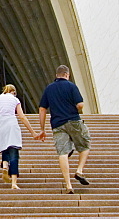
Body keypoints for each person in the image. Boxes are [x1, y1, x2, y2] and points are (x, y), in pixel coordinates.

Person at [37, 64, 92, 193]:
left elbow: (42, 109)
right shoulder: (71, 86)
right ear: (67, 75)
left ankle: (68, 186)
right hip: (73, 121)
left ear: (56, 75)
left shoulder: (49, 89)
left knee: (62, 153)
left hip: (57, 124)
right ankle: (79, 170)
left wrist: (42, 129)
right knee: (85, 145)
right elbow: (80, 105)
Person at [0, 83, 39, 190]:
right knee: (14, 152)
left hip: (0, 125)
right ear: (13, 92)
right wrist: (32, 132)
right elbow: (22, 116)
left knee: (5, 147)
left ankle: (5, 166)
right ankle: (14, 182)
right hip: (11, 124)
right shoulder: (15, 100)